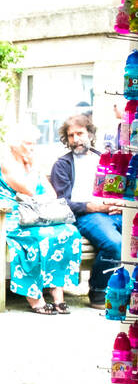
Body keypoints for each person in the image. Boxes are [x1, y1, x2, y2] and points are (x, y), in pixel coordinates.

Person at [0, 124, 83, 313]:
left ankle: (57, 292)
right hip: (14, 218)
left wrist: (33, 166)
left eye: (34, 144)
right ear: (15, 145)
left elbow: (51, 193)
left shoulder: (31, 162)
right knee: (41, 238)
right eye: (28, 144)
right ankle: (35, 297)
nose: (32, 148)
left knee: (70, 233)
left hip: (36, 215)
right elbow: (30, 190)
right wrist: (33, 167)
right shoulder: (8, 164)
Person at [50, 113, 121, 309]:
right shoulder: (62, 165)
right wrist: (94, 207)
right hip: (87, 216)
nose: (76, 139)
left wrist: (120, 205)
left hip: (115, 212)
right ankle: (98, 293)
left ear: (90, 133)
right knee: (115, 244)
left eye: (80, 133)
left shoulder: (105, 159)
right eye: (71, 135)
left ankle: (126, 292)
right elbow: (62, 203)